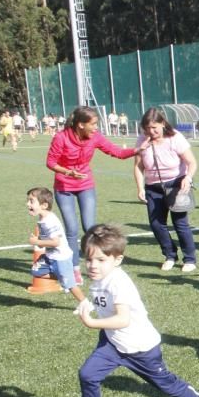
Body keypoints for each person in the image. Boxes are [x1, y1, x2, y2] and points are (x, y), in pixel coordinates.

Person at [62, 224, 199, 397]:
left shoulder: (119, 282)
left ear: (118, 259)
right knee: (88, 374)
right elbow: (105, 304)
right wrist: (88, 305)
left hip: (140, 347)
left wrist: (90, 322)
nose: (93, 265)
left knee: (165, 384)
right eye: (89, 259)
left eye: (100, 260)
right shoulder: (99, 278)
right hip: (112, 343)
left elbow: (123, 319)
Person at [46, 106, 145, 276]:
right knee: (71, 229)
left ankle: (98, 260)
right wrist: (68, 172)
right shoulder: (61, 138)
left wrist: (137, 150)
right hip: (64, 187)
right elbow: (50, 162)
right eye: (93, 124)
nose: (96, 127)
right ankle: (74, 268)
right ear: (81, 124)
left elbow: (117, 152)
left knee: (90, 227)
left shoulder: (95, 137)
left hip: (85, 185)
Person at [133, 107, 199, 273]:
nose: (151, 131)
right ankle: (169, 255)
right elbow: (138, 167)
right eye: (147, 128)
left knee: (180, 223)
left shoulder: (175, 137)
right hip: (153, 187)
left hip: (176, 184)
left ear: (162, 123)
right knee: (156, 224)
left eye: (154, 127)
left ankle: (189, 259)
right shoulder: (142, 140)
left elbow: (192, 162)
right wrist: (140, 187)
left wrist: (188, 178)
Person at [26, 187, 89, 309]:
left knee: (70, 285)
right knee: (36, 271)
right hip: (50, 256)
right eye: (28, 200)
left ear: (44, 205)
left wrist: (37, 241)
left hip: (61, 258)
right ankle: (63, 276)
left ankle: (85, 303)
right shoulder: (43, 218)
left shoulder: (50, 221)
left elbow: (56, 242)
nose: (27, 204)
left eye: (31, 201)